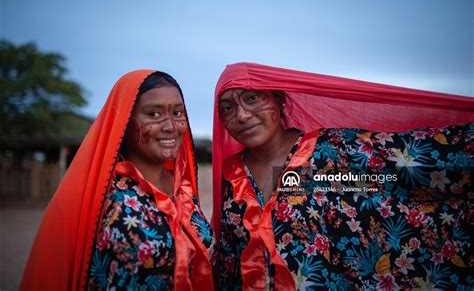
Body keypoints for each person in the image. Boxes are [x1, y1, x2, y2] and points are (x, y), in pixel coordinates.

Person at [211, 62, 474, 290]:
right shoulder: (229, 176)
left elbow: (418, 166)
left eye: (253, 98)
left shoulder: (335, 152)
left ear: (280, 99)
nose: (242, 115)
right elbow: (228, 265)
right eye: (227, 108)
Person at [21, 70, 215, 290]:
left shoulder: (183, 189)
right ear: (124, 122)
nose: (171, 126)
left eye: (178, 113)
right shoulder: (105, 198)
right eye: (153, 114)